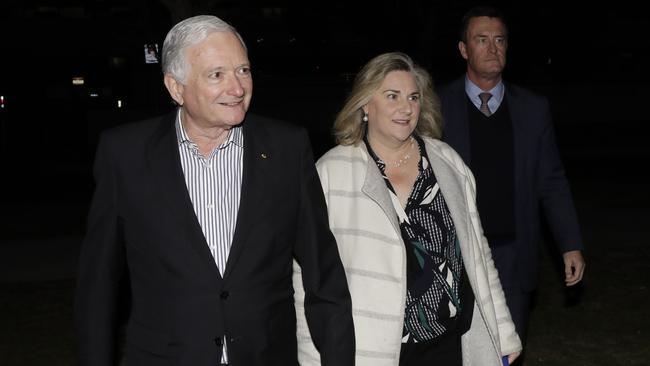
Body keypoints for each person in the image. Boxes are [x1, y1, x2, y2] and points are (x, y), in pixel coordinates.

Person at [74, 15, 355, 366]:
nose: (237, 88)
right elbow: (97, 289)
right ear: (176, 87)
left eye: (243, 71)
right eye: (216, 75)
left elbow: (324, 276)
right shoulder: (126, 155)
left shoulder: (287, 149)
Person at [293, 52, 521, 366]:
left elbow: (478, 254)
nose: (406, 107)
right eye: (392, 96)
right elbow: (308, 278)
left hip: (452, 343)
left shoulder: (447, 162)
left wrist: (504, 332)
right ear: (365, 105)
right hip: (373, 350)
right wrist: (312, 356)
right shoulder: (332, 173)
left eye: (413, 97)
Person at [437, 6, 586, 348]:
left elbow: (551, 180)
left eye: (500, 40)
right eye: (482, 40)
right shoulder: (437, 107)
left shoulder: (533, 108)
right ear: (463, 50)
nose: (493, 48)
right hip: (456, 254)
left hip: (513, 255)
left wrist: (570, 244)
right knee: (460, 351)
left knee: (508, 349)